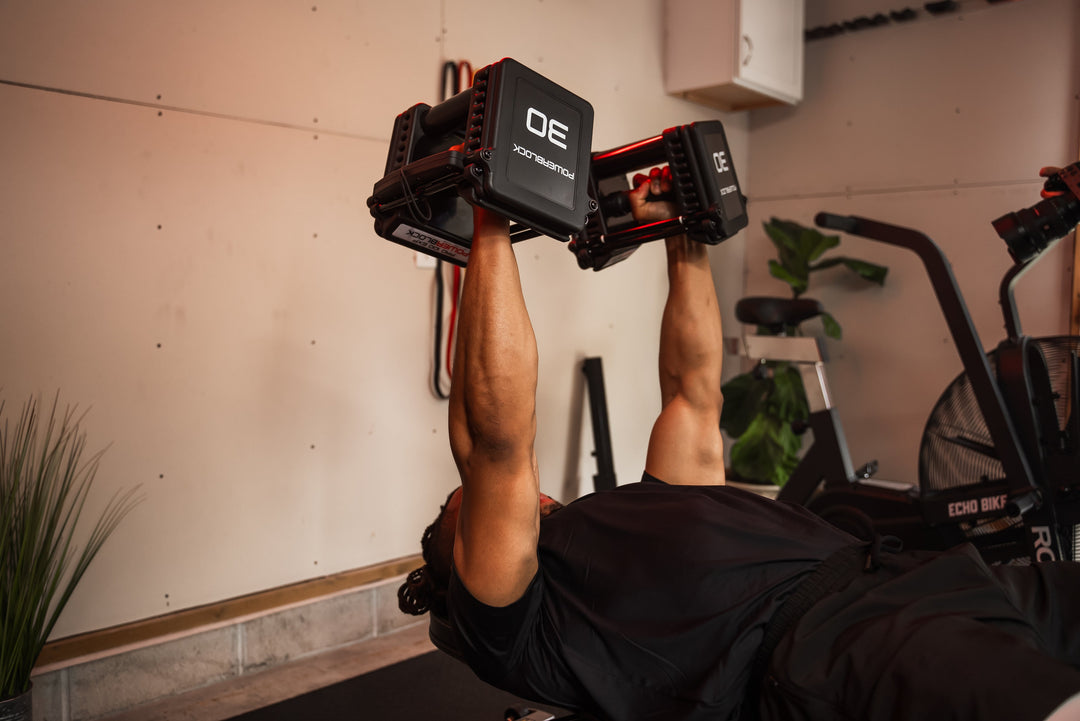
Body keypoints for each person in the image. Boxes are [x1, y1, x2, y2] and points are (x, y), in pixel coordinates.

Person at [398, 168, 1080, 721]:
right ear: (465, 562)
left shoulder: (650, 506)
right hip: (842, 647)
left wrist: (677, 226)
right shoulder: (513, 621)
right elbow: (496, 446)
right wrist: (490, 211)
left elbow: (694, 389)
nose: (530, 500)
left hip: (923, 579)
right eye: (471, 512)